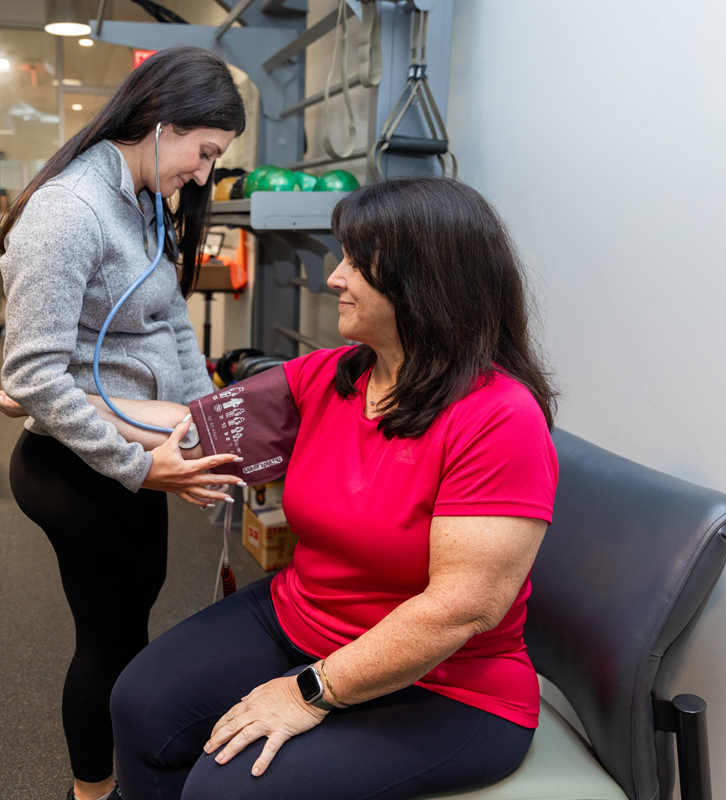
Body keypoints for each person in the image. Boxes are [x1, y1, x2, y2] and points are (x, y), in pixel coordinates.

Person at [107, 177, 560, 800]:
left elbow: (463, 606)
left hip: (447, 684)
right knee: (139, 706)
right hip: (302, 616)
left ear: (420, 283)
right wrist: (52, 403)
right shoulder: (335, 375)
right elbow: (193, 420)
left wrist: (310, 690)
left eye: (355, 263)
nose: (333, 277)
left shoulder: (499, 417)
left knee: (226, 790)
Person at [0, 46, 247, 800]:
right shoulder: (68, 213)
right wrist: (141, 467)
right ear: (163, 125)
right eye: (203, 154)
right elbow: (32, 375)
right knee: (109, 639)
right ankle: (92, 792)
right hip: (76, 463)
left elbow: (171, 328)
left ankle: (123, 778)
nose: (203, 175)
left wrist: (211, 425)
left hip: (134, 451)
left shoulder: (139, 203)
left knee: (136, 614)